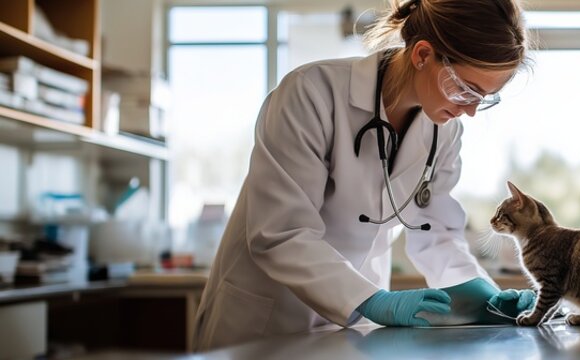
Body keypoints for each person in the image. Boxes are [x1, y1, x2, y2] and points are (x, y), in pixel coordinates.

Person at [193, 0, 534, 350]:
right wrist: (372, 301)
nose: (471, 111)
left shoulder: (443, 130)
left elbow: (436, 234)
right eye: (466, 89)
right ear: (422, 55)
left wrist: (482, 295)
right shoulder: (311, 93)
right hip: (265, 323)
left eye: (486, 98)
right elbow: (281, 232)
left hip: (351, 328)